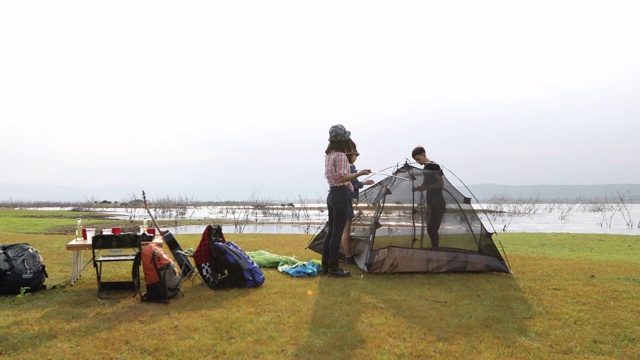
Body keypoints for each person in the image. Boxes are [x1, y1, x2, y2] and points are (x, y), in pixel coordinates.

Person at [323, 124, 371, 277]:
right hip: (341, 195)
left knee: (331, 233)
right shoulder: (341, 156)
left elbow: (335, 177)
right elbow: (343, 177)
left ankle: (325, 266)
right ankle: (334, 268)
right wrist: (360, 173)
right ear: (344, 140)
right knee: (337, 234)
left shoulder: (329, 155)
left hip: (331, 195)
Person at [342, 149, 374, 265]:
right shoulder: (350, 167)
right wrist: (364, 181)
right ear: (350, 155)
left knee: (341, 231)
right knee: (346, 231)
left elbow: (354, 182)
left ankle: (344, 256)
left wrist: (365, 183)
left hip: (342, 199)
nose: (356, 157)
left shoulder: (345, 166)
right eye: (355, 155)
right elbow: (354, 183)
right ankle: (348, 257)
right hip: (346, 200)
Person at [411, 146, 445, 248]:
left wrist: (425, 187)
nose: (418, 162)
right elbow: (425, 184)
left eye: (418, 159)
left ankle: (435, 248)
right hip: (430, 201)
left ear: (424, 155)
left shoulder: (435, 166)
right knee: (431, 229)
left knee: (432, 229)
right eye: (416, 160)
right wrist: (418, 188)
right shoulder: (425, 168)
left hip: (438, 202)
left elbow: (441, 184)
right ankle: (435, 248)